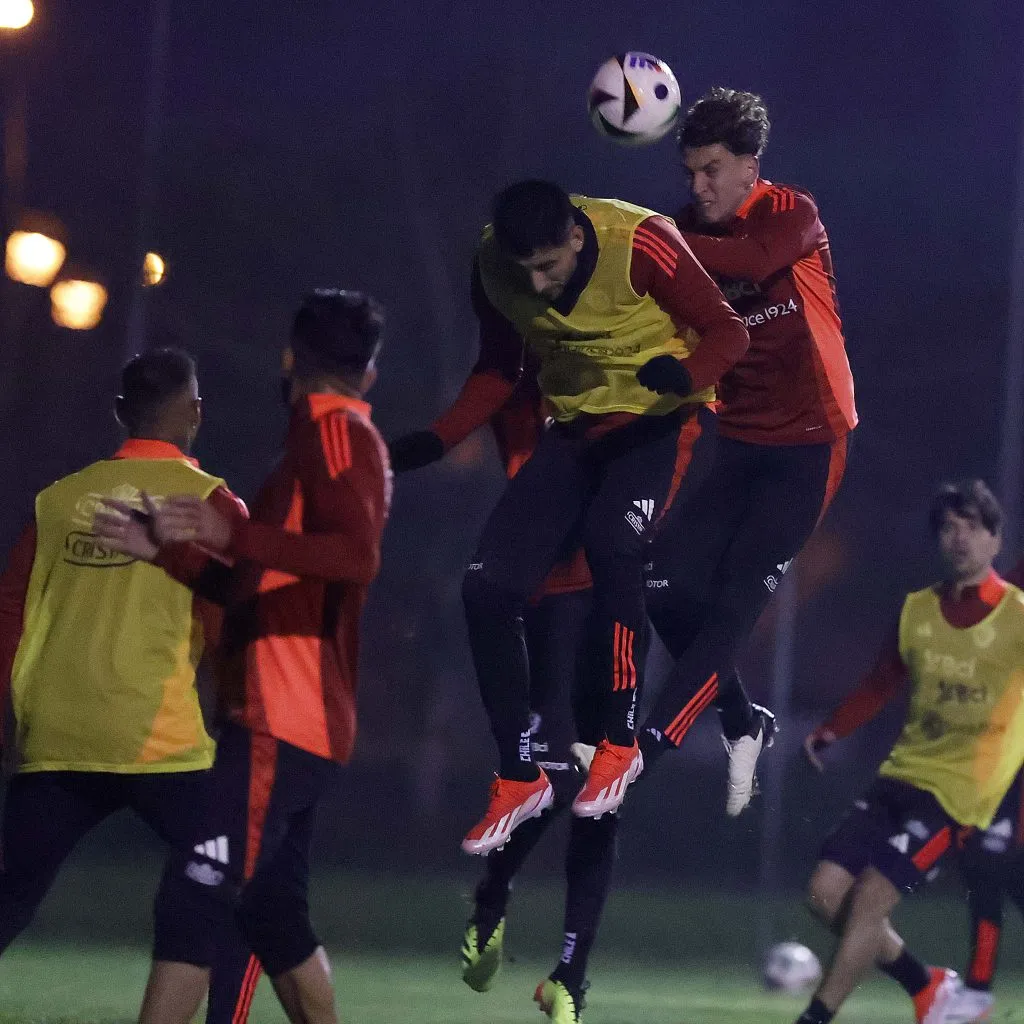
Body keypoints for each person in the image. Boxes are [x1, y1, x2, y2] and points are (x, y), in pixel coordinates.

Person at [94, 290, 391, 1024]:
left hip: (287, 717)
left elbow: (356, 557)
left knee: (193, 892)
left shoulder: (334, 434)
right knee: (273, 915)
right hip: (282, 714)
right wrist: (169, 553)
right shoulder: (313, 440)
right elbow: (259, 582)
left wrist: (235, 537)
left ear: (291, 358)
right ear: (371, 371)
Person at [458, 179, 749, 863]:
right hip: (577, 431)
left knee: (614, 546)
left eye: (548, 266)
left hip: (662, 421)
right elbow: (499, 368)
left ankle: (619, 744)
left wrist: (686, 373)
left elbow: (729, 332)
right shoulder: (495, 267)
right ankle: (517, 775)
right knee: (484, 587)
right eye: (523, 267)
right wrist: (438, 438)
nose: (535, 282)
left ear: (578, 238)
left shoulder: (641, 240)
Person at [0, 349, 255, 1020]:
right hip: (159, 738)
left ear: (120, 414)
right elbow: (236, 621)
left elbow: (9, 616)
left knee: (10, 895)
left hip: (57, 734)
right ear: (195, 412)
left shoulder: (56, 501)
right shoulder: (212, 502)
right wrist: (244, 718)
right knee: (233, 881)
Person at [390, 312, 625, 1021]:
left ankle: (570, 979)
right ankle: (494, 894)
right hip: (552, 594)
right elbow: (458, 421)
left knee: (608, 788)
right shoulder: (515, 378)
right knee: (558, 776)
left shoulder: (617, 370)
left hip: (614, 593)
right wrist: (410, 447)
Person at [632, 86, 856, 815]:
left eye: (712, 170)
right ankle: (739, 716)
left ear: (751, 166)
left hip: (810, 448)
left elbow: (756, 262)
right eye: (690, 173)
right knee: (661, 582)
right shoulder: (688, 229)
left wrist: (655, 238)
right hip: (739, 445)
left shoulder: (791, 213)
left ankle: (648, 750)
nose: (699, 187)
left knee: (733, 603)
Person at [798, 480, 1024, 1024]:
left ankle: (815, 1018)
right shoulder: (917, 610)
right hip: (901, 777)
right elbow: (881, 682)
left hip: (960, 792)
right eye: (949, 526)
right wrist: (831, 730)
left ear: (996, 539)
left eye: (972, 525)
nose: (960, 537)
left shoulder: (1018, 614)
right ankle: (928, 990)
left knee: (873, 898)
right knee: (825, 894)